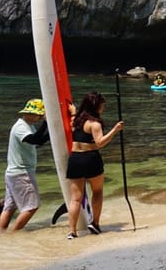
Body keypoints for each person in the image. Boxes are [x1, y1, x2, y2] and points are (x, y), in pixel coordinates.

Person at [66, 92, 123, 239]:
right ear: (96, 107)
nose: (103, 108)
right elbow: (100, 143)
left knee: (75, 198)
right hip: (91, 159)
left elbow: (73, 122)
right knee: (97, 191)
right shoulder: (95, 124)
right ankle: (95, 224)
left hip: (75, 159)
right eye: (102, 105)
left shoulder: (76, 121)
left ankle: (72, 232)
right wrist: (115, 130)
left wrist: (73, 112)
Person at [0, 99, 50, 232]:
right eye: (39, 115)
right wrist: (46, 123)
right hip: (21, 173)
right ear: (31, 114)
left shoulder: (28, 125)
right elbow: (34, 140)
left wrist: (51, 129)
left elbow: (40, 140)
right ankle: (14, 233)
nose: (39, 118)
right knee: (32, 206)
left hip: (13, 173)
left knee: (9, 207)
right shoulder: (21, 127)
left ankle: (1, 234)